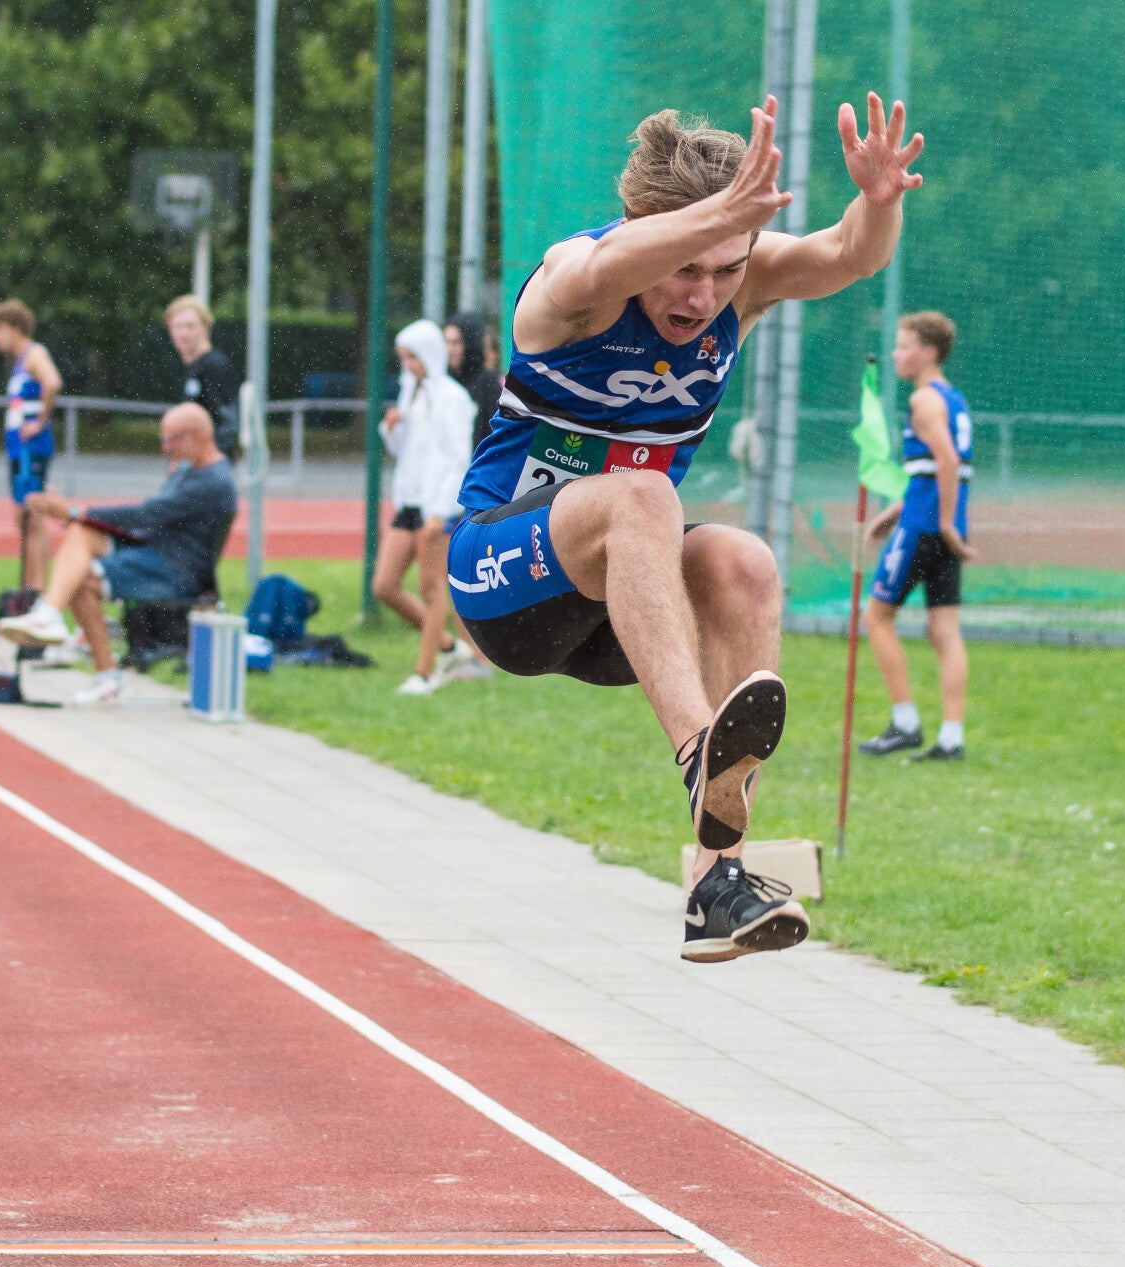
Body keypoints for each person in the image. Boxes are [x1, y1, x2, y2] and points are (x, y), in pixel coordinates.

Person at [449, 93, 922, 962]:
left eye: (728, 270)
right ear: (644, 232)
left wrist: (878, 200)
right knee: (642, 495)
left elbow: (847, 254)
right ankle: (700, 751)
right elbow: (601, 265)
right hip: (502, 583)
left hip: (624, 608)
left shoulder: (742, 281)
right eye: (684, 269)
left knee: (743, 560)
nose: (704, 297)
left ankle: (718, 885)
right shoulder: (576, 288)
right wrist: (721, 216)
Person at [0, 403, 237, 704]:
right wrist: (80, 518)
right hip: (154, 550)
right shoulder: (191, 469)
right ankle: (49, 614)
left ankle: (102, 670)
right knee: (80, 533)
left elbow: (149, 514)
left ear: (194, 435)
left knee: (81, 579)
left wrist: (75, 511)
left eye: (170, 439)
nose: (165, 448)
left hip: (177, 571)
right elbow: (151, 520)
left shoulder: (213, 481)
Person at [858, 311, 975, 762]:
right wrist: (895, 511)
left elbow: (947, 461)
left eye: (904, 346)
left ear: (928, 352)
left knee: (876, 617)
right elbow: (929, 472)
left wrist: (941, 523)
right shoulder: (954, 399)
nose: (895, 354)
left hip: (925, 528)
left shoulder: (924, 400)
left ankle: (905, 723)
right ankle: (951, 738)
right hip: (936, 523)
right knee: (943, 630)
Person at [373, 320, 478, 694]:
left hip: (436, 506)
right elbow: (403, 451)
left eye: (412, 357)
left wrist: (442, 510)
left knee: (431, 588)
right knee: (385, 586)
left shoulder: (452, 397)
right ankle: (449, 648)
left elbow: (458, 459)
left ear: (429, 355)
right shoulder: (410, 393)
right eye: (403, 358)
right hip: (410, 501)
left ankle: (423, 674)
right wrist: (391, 428)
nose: (407, 365)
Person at [0, 300, 63, 591]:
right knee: (23, 518)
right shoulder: (18, 362)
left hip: (32, 450)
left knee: (33, 516)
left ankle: (36, 589)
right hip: (19, 450)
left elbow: (53, 382)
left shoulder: (34, 354)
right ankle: (28, 587)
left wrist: (39, 422)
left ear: (16, 327)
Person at [165, 295, 241, 455]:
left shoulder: (215, 366)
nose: (183, 333)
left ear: (206, 328)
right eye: (177, 326)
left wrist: (204, 458)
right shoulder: (192, 366)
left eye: (190, 326)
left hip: (208, 464)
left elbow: (229, 424)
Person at [445, 311, 502, 442]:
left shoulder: (487, 381)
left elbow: (492, 430)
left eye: (456, 342)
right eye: (446, 342)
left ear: (470, 343)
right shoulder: (442, 379)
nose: (449, 350)